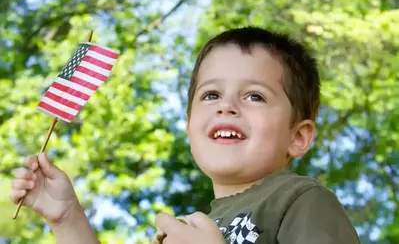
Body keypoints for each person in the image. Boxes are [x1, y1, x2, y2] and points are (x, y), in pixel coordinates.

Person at [9, 26, 361, 244]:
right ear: (190, 125)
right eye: (211, 95)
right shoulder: (186, 230)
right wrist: (67, 217)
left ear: (298, 137)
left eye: (254, 96)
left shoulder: (299, 200)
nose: (227, 107)